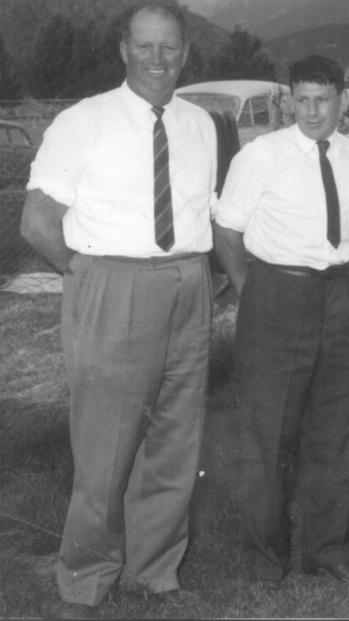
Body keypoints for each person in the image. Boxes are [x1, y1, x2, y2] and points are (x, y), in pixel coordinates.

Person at [19, 1, 217, 616]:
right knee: (104, 449)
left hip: (188, 281)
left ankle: (154, 569)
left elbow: (199, 212)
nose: (158, 60)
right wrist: (88, 276)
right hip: (111, 282)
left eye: (170, 48)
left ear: (185, 53)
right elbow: (36, 222)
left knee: (174, 440)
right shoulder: (84, 121)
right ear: (122, 49)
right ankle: (85, 579)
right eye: (145, 46)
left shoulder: (202, 124)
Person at [212, 55, 349, 587]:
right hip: (276, 296)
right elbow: (228, 233)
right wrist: (253, 292)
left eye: (322, 99)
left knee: (338, 431)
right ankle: (265, 557)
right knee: (267, 435)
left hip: (340, 298)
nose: (311, 110)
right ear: (288, 100)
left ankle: (328, 550)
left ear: (341, 101)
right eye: (301, 99)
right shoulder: (260, 156)